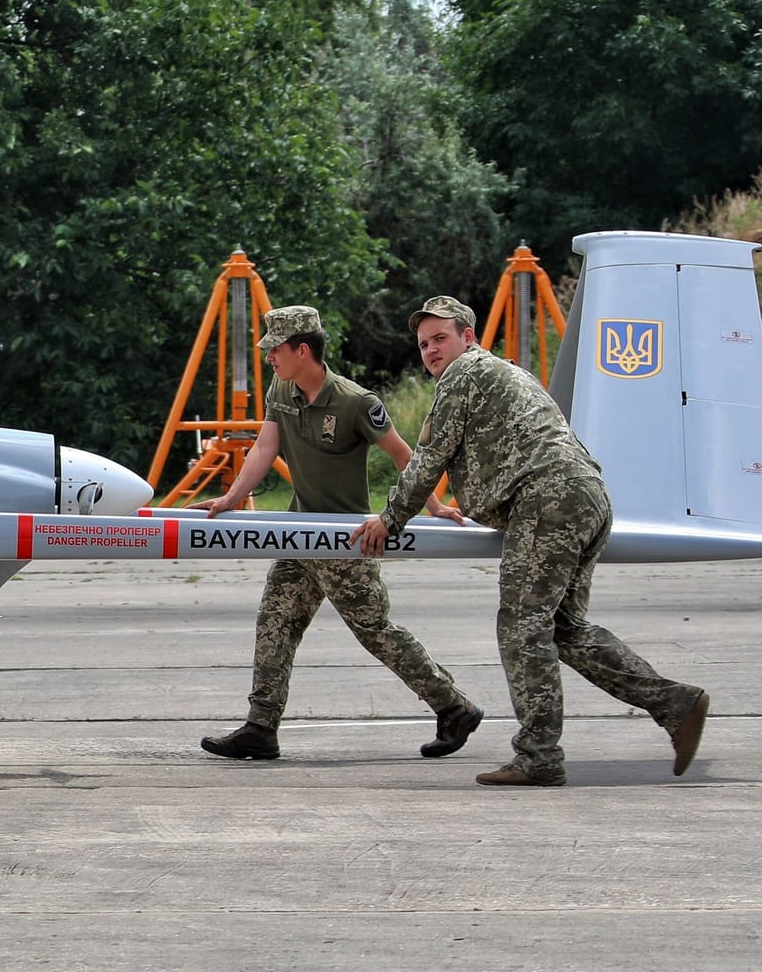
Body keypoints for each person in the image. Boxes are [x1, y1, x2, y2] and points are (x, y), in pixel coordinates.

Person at [352, 297, 711, 786]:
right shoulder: (507, 374)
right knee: (564, 629)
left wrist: (389, 519)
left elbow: (430, 458)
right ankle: (675, 703)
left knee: (521, 626)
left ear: (468, 338)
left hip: (547, 502)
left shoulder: (465, 373)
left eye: (440, 338)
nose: (432, 350)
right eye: (424, 344)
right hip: (583, 497)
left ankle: (539, 757)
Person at [198, 305, 484, 762]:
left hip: (344, 541)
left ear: (303, 350)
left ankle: (454, 706)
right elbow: (264, 447)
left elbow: (401, 453)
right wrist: (230, 499)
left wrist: (432, 505)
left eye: (276, 350)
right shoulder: (282, 388)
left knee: (375, 631)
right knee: (276, 622)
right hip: (299, 535)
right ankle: (260, 727)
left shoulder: (356, 402)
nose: (270, 358)